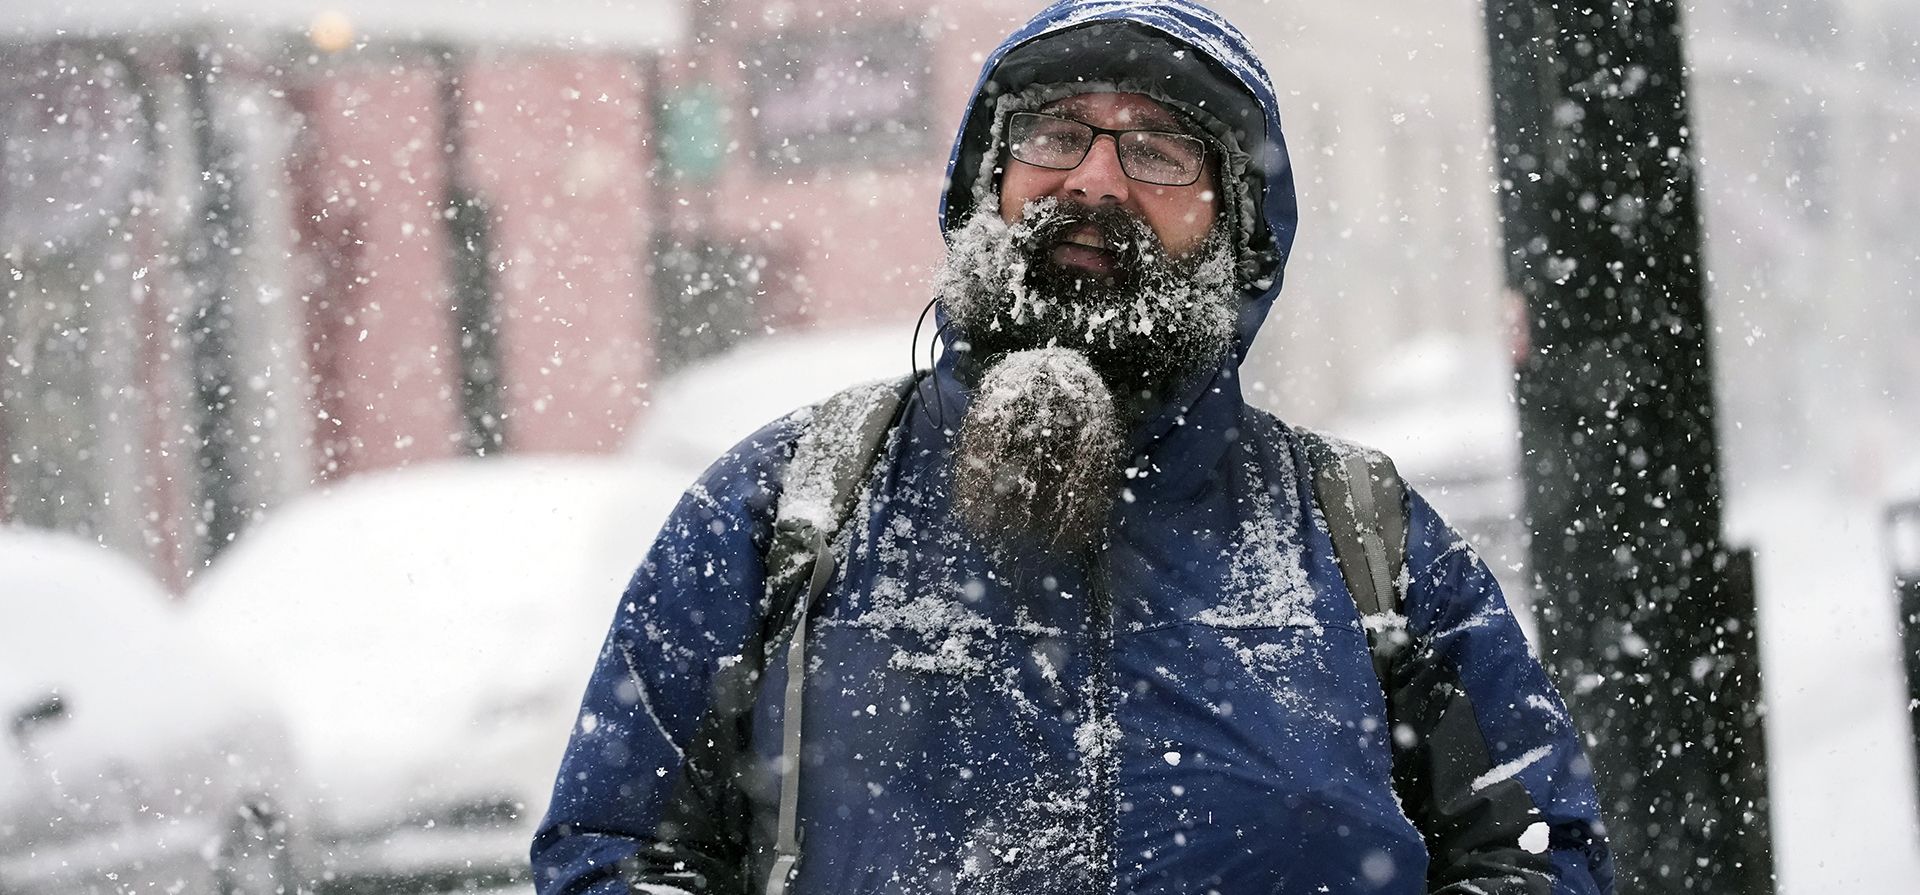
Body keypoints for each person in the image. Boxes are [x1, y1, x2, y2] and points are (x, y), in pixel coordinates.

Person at [531, 1, 1614, 893]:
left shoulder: (1364, 539)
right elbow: (613, 852)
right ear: (985, 188)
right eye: (1054, 135)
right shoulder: (786, 507)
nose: (1096, 182)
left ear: (1235, 228)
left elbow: (1540, 857)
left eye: (1158, 147)